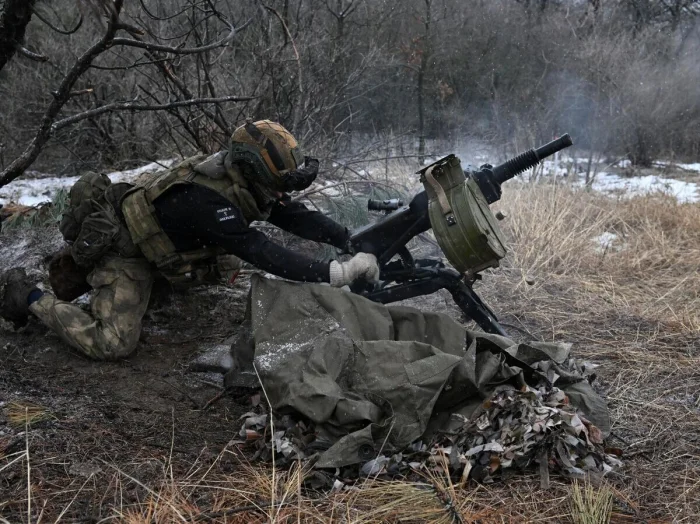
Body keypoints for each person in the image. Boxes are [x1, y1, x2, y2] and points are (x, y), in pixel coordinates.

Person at [0, 120, 379, 360]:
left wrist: (347, 238)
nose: (281, 194)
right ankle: (27, 295)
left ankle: (126, 287)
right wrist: (336, 273)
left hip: (161, 247)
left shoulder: (240, 182)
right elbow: (259, 250)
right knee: (112, 343)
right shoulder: (206, 202)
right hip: (125, 251)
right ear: (253, 169)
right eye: (278, 184)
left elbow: (292, 215)